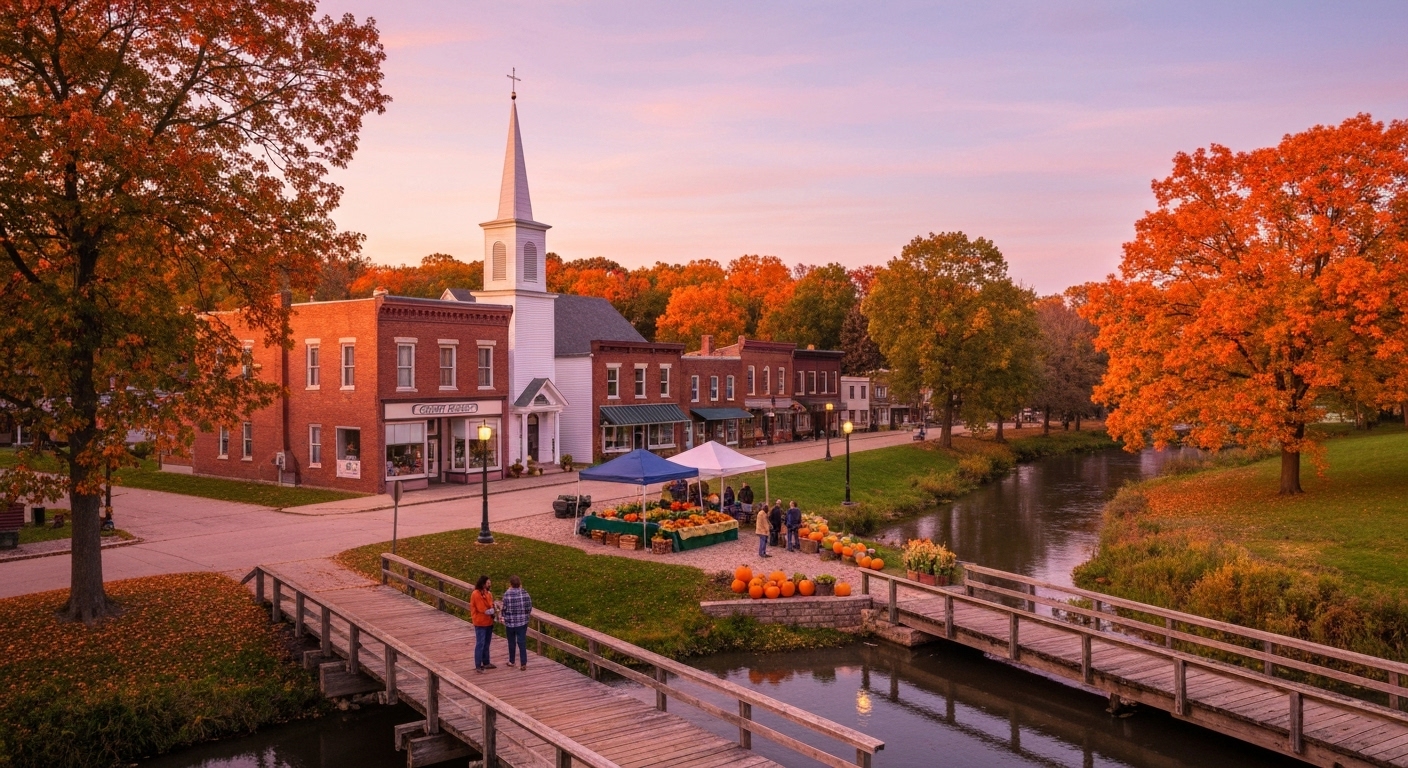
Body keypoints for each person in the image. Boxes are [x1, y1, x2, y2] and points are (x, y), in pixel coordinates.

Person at [500, 575, 533, 671]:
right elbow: (529, 606)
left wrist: (503, 617)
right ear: (520, 583)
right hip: (522, 622)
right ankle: (523, 663)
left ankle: (512, 661)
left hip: (510, 622)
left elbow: (504, 608)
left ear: (510, 584)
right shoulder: (525, 593)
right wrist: (526, 616)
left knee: (511, 642)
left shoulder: (507, 594)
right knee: (521, 641)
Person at [471, 575, 496, 672]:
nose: (490, 585)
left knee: (487, 643)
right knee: (480, 643)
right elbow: (482, 609)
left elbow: (491, 605)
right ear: (483, 584)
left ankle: (486, 662)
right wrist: (493, 610)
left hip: (488, 622)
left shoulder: (488, 593)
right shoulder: (476, 594)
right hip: (480, 622)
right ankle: (478, 665)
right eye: (488, 583)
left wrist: (495, 608)